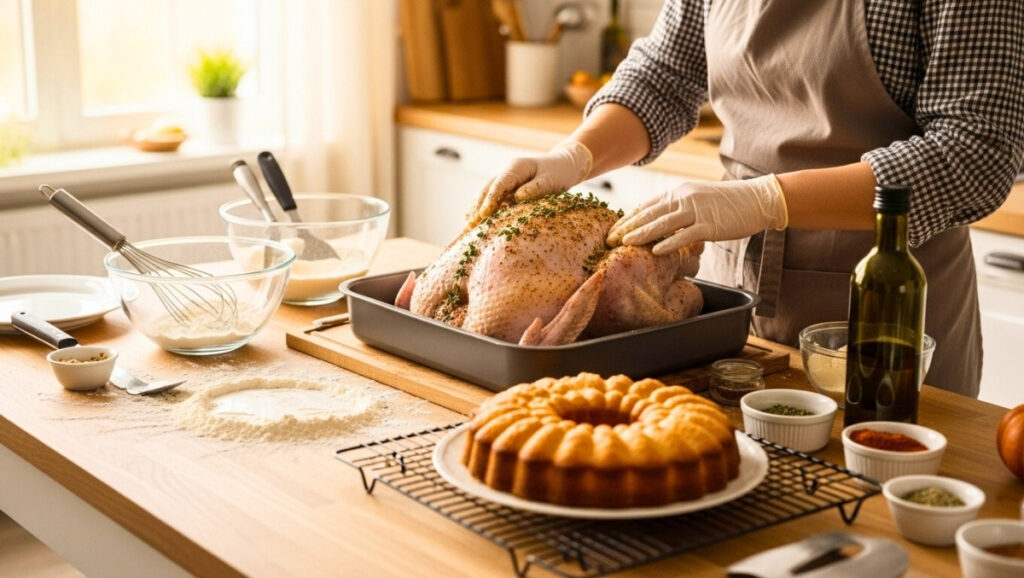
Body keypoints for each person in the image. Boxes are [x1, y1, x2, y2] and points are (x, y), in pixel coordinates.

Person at [468, 0, 1024, 398]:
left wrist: (765, 198)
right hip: (733, 305)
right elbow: (663, 75)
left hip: (883, 305)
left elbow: (978, 151)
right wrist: (576, 155)